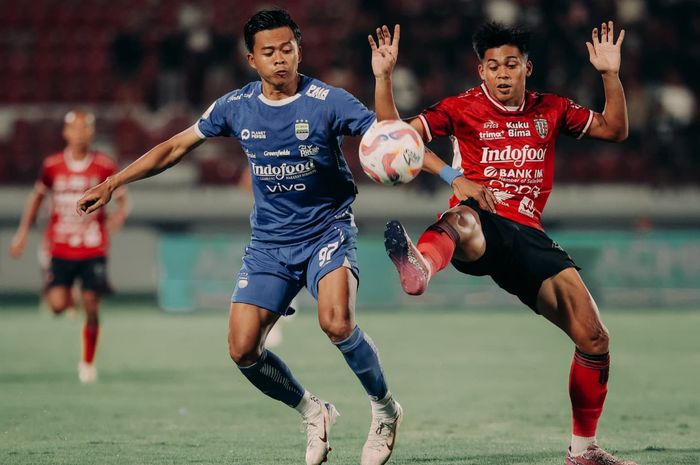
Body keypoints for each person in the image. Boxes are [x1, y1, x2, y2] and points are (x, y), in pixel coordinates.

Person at [77, 9, 402, 465]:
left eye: (287, 49)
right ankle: (314, 412)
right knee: (243, 349)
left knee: (336, 322)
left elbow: (387, 137)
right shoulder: (235, 106)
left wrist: (383, 80)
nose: (280, 59)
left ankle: (385, 411)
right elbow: (174, 147)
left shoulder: (328, 100)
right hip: (270, 244)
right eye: (269, 52)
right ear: (252, 59)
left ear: (299, 50)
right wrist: (113, 182)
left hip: (326, 229)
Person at [372, 21, 635, 465]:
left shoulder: (552, 109)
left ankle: (582, 451)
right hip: (482, 228)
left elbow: (615, 130)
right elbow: (393, 135)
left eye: (511, 64)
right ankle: (421, 264)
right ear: (481, 72)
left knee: (594, 339)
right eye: (493, 66)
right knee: (462, 218)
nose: (502, 73)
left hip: (531, 237)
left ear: (527, 67)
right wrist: (454, 175)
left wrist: (609, 73)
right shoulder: (461, 108)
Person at [10, 110, 130, 384]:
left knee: (91, 304)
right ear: (65, 133)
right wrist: (22, 234)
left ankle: (87, 363)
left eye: (84, 129)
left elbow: (123, 199)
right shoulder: (52, 166)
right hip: (60, 247)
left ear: (92, 132)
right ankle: (66, 294)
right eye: (73, 129)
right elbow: (36, 199)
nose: (79, 134)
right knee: (56, 306)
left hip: (93, 247)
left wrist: (119, 216)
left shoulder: (103, 165)